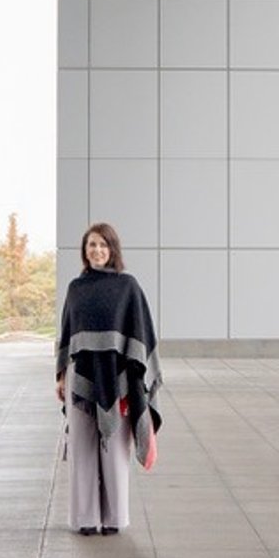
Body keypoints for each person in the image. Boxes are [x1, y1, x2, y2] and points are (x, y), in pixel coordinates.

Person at [55, 222, 162, 535]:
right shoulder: (76, 288)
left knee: (115, 449)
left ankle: (115, 518)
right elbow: (67, 334)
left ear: (112, 249)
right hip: (79, 378)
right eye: (92, 244)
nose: (97, 250)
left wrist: (137, 377)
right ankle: (85, 519)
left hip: (119, 379)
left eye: (103, 245)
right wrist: (60, 375)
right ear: (84, 250)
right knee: (82, 448)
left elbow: (141, 333)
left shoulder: (128, 286)